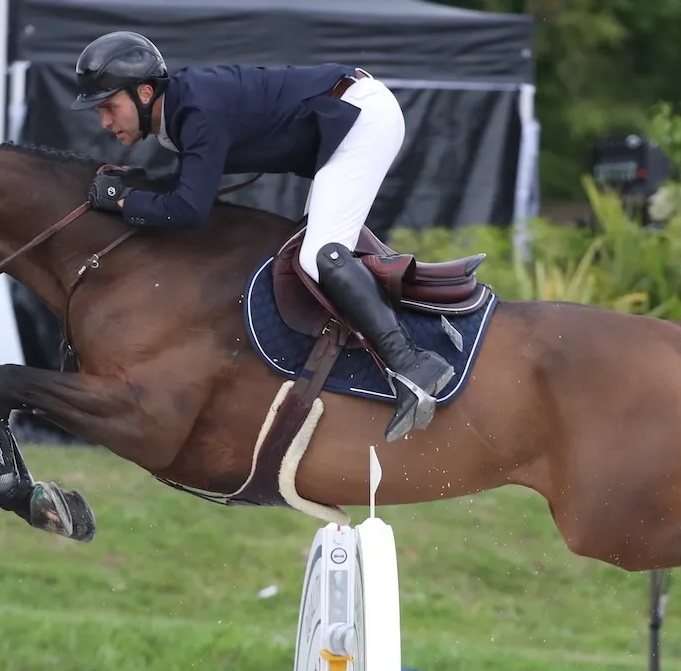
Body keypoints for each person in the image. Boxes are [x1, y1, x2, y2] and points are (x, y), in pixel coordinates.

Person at [72, 31, 447, 441]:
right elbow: (186, 193)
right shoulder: (183, 110)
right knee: (313, 254)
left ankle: (412, 364)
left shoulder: (195, 110)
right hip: (351, 114)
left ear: (145, 92)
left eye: (109, 106)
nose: (105, 122)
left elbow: (188, 210)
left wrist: (124, 201)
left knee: (319, 256)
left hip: (361, 119)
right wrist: (132, 192)